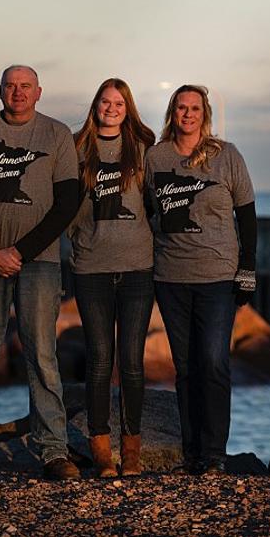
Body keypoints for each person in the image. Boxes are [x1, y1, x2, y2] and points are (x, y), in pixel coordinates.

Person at [0, 65, 81, 480]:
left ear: (39, 92)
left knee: (42, 355)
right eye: (10, 86)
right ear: (0, 91)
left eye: (25, 86)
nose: (18, 93)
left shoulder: (57, 134)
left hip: (38, 263)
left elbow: (68, 201)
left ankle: (53, 450)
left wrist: (18, 251)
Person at [145, 84, 257, 476]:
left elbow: (246, 215)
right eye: (181, 108)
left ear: (203, 114)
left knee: (213, 363)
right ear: (172, 113)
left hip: (217, 277)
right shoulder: (155, 157)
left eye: (194, 108)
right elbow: (147, 213)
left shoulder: (226, 156)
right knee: (186, 367)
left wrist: (248, 269)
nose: (187, 114)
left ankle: (215, 454)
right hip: (170, 277)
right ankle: (191, 454)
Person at [69, 78, 156, 477]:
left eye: (119, 102)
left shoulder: (141, 149)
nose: (111, 107)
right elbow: (64, 205)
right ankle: (102, 452)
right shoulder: (76, 147)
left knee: (133, 363)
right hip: (91, 269)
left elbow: (159, 204)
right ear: (96, 105)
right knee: (100, 360)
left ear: (128, 107)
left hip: (138, 268)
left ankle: (132, 451)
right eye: (105, 101)